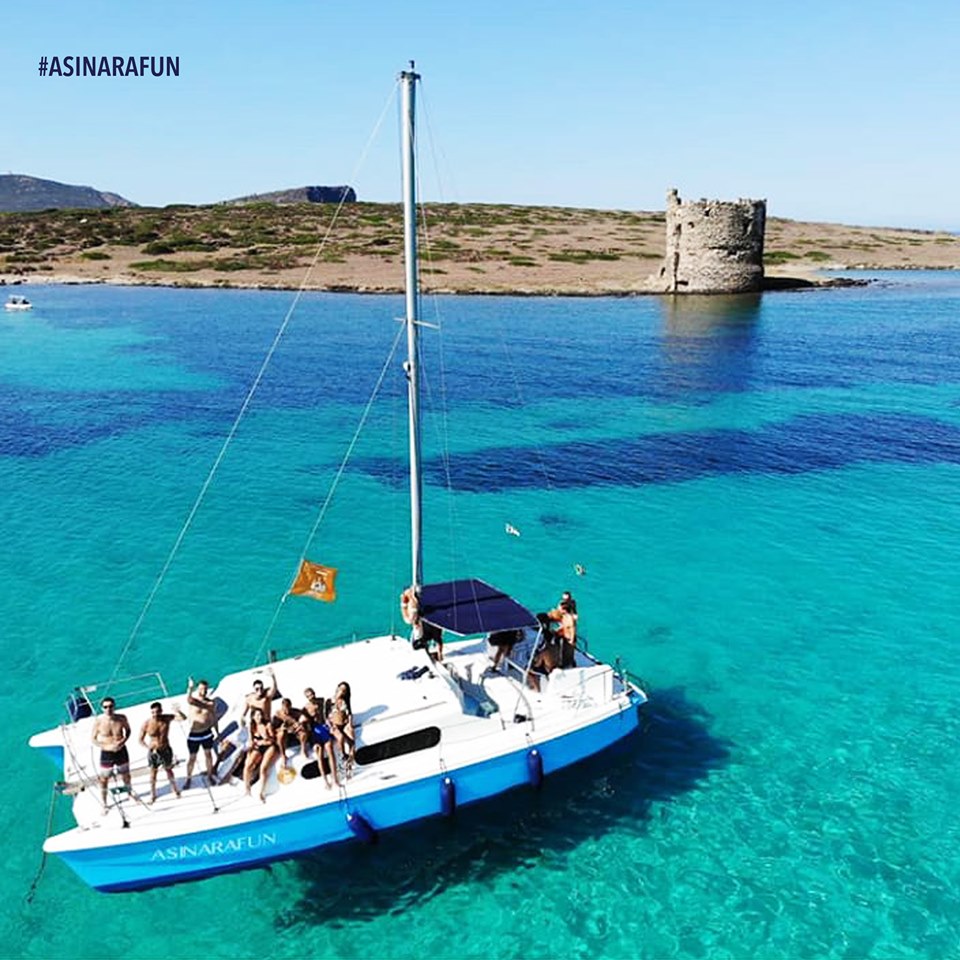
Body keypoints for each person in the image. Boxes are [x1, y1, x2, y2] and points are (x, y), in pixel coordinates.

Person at [92, 697, 133, 810]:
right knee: (104, 779)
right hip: (107, 753)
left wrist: (123, 740)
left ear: (114, 706)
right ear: (102, 708)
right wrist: (106, 746)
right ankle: (104, 803)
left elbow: (128, 731)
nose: (108, 709)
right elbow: (93, 739)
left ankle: (130, 794)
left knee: (126, 775)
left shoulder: (121, 718)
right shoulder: (99, 722)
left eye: (110, 706)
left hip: (121, 751)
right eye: (105, 707)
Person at [139, 702, 184, 802]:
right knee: (153, 772)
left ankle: (174, 789)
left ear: (161, 711)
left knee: (169, 770)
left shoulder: (166, 718)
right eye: (153, 712)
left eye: (158, 711)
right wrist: (149, 748)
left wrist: (178, 711)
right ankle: (153, 793)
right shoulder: (147, 723)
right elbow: (140, 740)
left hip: (165, 749)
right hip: (153, 751)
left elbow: (183, 718)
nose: (156, 714)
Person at [184, 677, 219, 789]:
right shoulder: (194, 701)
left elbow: (214, 717)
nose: (203, 691)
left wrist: (218, 732)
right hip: (194, 734)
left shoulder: (211, 702)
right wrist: (190, 688)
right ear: (197, 689)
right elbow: (189, 699)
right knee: (192, 758)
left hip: (207, 732)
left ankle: (209, 775)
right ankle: (188, 778)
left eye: (205, 689)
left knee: (208, 755)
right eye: (201, 689)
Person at [302, 687, 338, 789]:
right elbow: (304, 721)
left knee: (330, 751)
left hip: (324, 727)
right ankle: (325, 780)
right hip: (315, 731)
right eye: (309, 696)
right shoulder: (306, 708)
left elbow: (328, 711)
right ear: (306, 697)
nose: (311, 697)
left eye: (312, 694)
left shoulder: (321, 700)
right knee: (320, 755)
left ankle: (335, 778)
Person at [243, 707, 279, 803]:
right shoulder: (252, 726)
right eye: (257, 715)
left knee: (263, 768)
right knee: (248, 766)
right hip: (258, 746)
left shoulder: (267, 725)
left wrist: (262, 742)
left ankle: (261, 792)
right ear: (253, 717)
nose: (260, 717)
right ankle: (247, 789)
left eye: (261, 715)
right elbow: (251, 739)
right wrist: (250, 752)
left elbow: (272, 740)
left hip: (269, 746)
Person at [327, 681, 355, 776]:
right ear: (337, 688)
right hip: (334, 725)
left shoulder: (344, 701)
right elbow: (326, 716)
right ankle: (342, 755)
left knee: (352, 743)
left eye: (344, 691)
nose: (342, 692)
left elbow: (349, 714)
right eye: (341, 689)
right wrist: (331, 726)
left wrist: (350, 724)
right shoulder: (330, 701)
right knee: (341, 738)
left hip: (344, 723)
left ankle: (349, 766)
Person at [548, 591, 579, 668]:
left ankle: (568, 662)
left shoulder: (572, 605)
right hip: (563, 628)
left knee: (568, 650)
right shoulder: (561, 605)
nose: (565, 600)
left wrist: (571, 640)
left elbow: (572, 628)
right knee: (559, 644)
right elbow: (559, 615)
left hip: (567, 632)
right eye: (564, 599)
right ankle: (559, 660)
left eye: (567, 599)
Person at [274, 697, 310, 763]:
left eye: (288, 708)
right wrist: (282, 729)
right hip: (285, 733)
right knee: (280, 734)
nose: (287, 711)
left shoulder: (295, 712)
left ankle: (303, 750)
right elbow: (275, 729)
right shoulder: (278, 715)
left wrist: (300, 723)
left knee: (303, 733)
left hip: (295, 732)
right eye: (285, 708)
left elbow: (304, 718)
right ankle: (283, 755)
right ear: (282, 707)